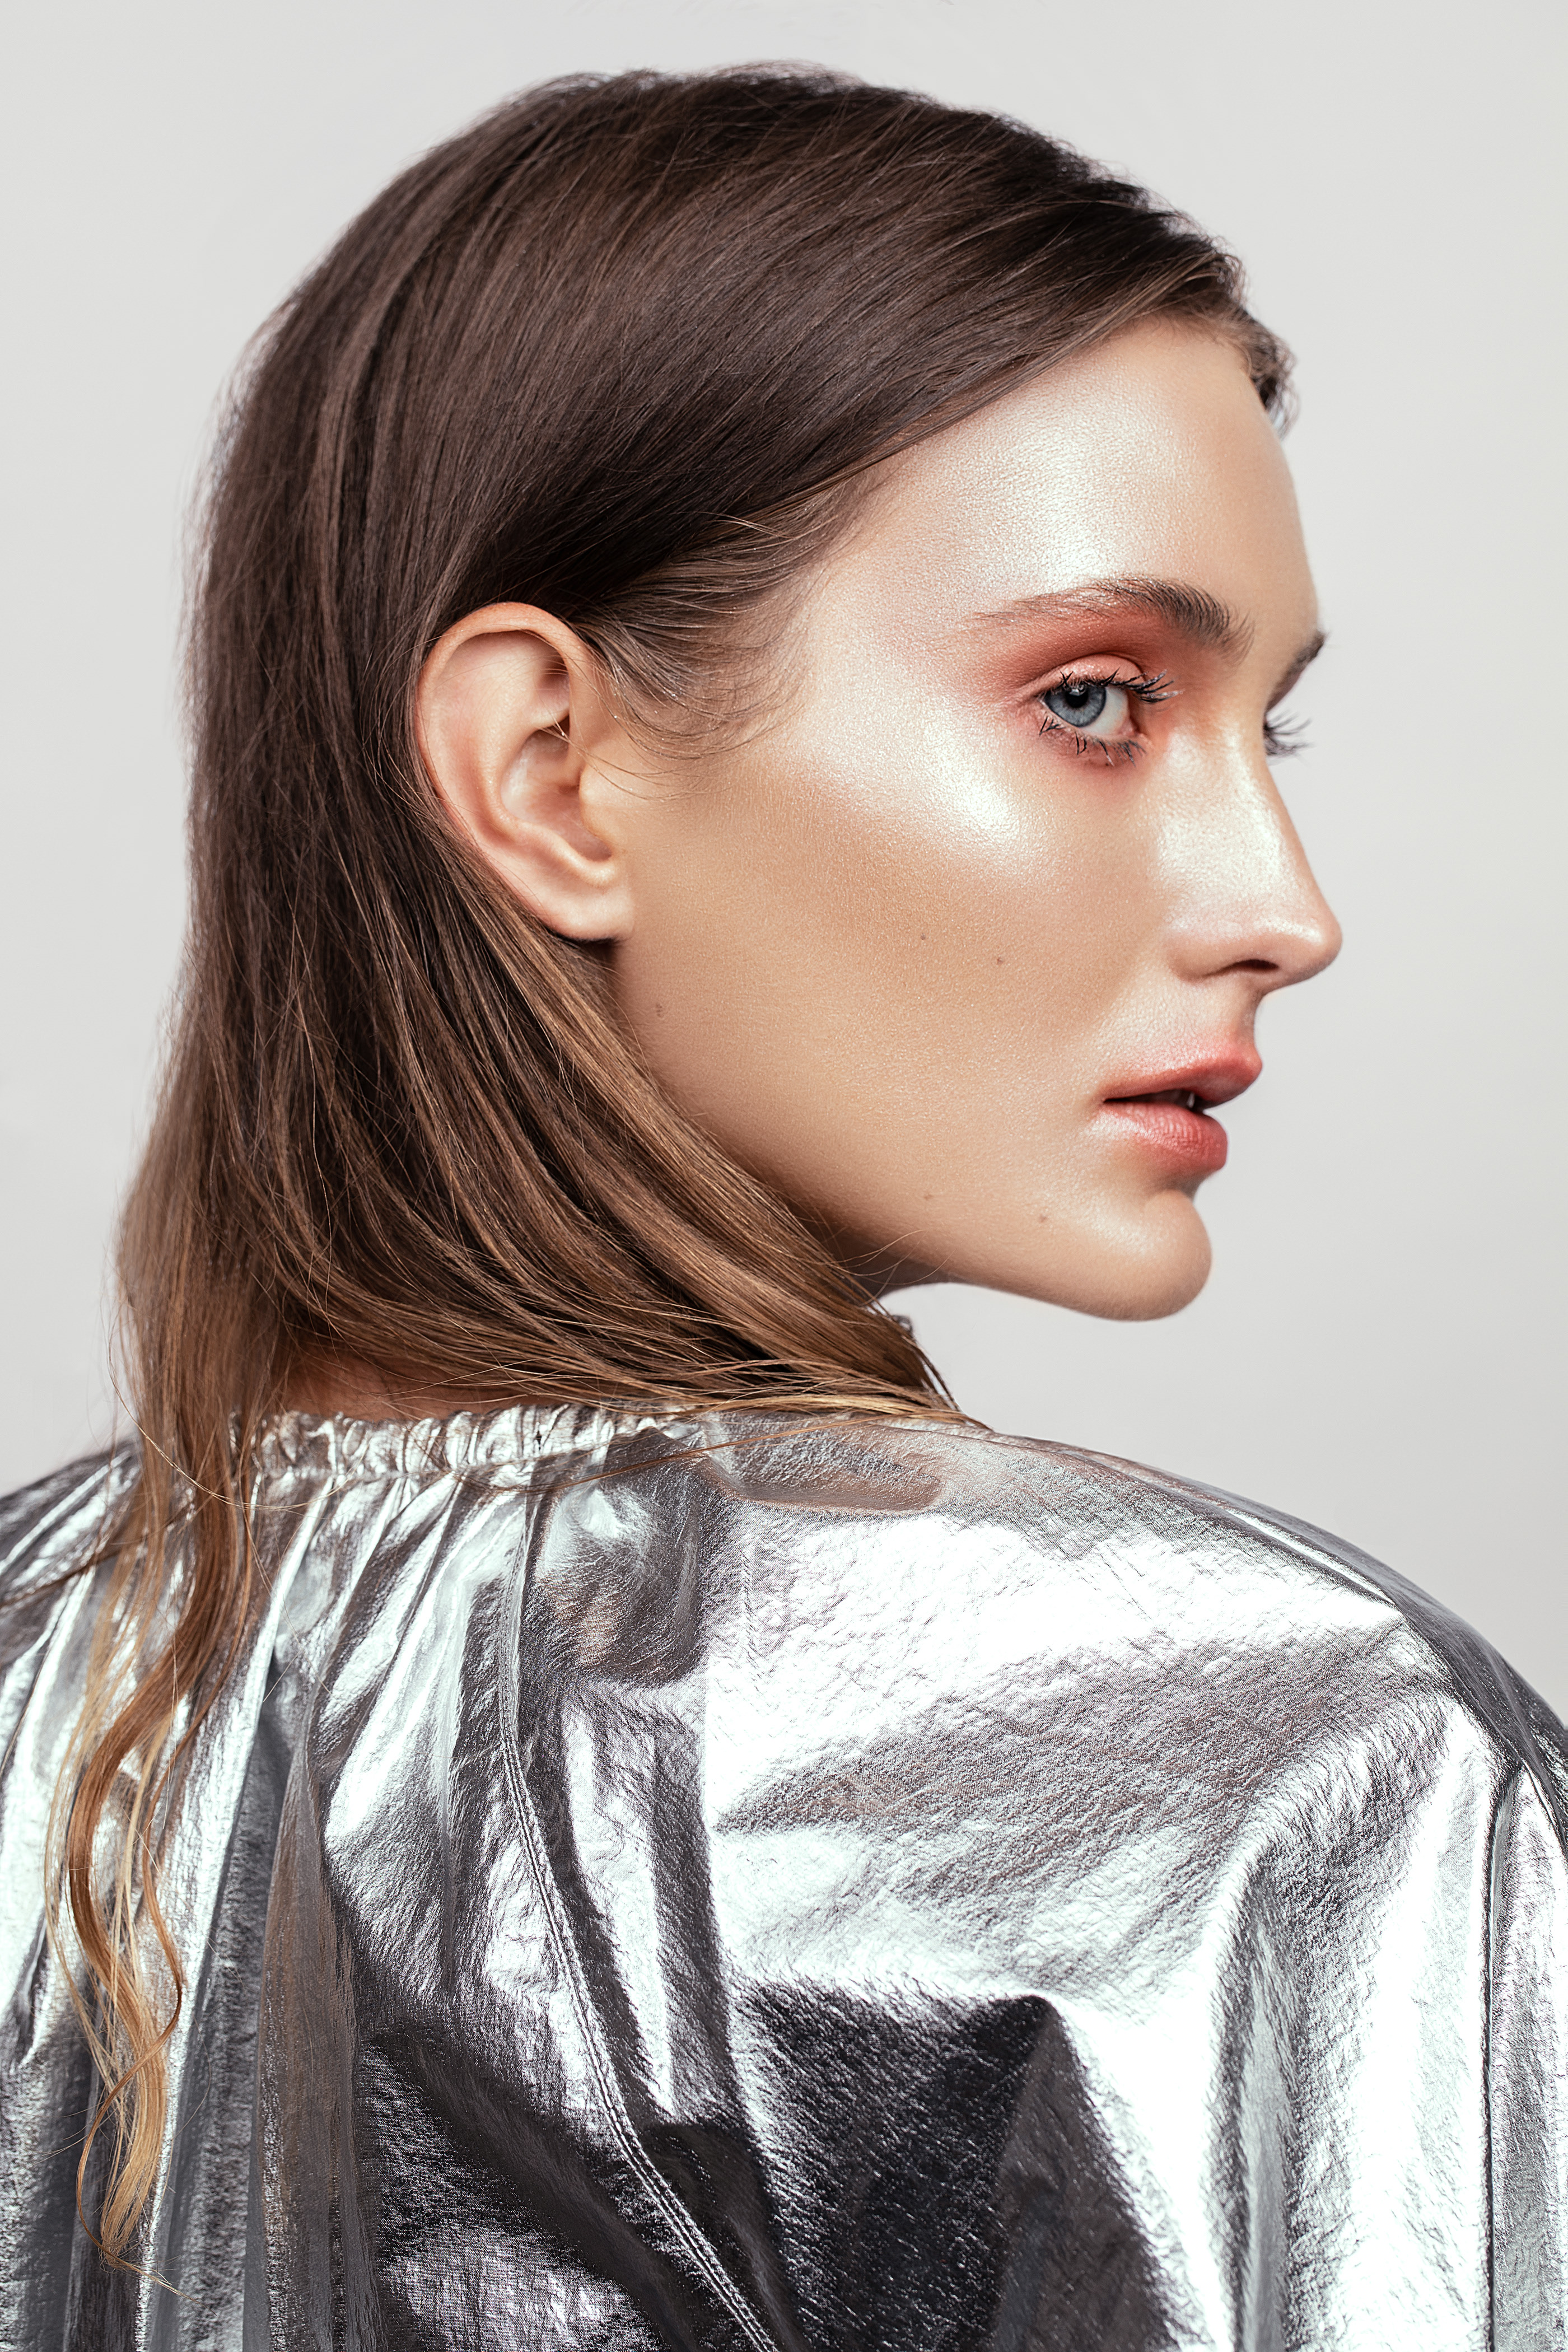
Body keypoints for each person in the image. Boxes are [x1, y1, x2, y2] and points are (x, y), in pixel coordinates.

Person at [0, 64, 1562, 2351]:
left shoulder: (38, 1684)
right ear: (551, 777)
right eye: (1097, 701)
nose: (1283, 907)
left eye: (1271, 732)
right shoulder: (1279, 1783)